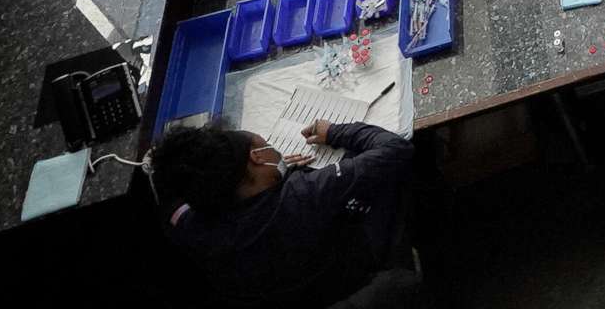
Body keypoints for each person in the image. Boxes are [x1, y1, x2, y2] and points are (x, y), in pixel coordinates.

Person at [150, 118, 415, 308]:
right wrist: (336, 132)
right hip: (347, 278)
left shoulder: (189, 227)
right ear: (257, 157)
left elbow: (168, 189)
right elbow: (396, 150)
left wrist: (268, 179)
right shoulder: (305, 193)